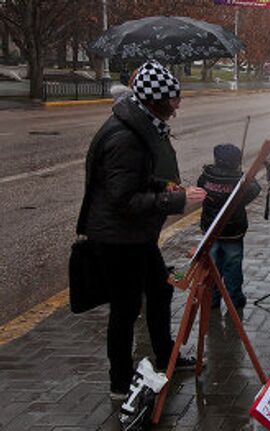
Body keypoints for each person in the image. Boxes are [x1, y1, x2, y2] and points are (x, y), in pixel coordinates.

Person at [80, 60, 207, 400]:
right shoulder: (126, 138)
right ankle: (120, 383)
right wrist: (175, 201)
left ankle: (166, 355)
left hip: (133, 235)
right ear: (154, 101)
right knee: (125, 309)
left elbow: (134, 181)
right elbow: (123, 199)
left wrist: (163, 186)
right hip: (117, 237)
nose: (176, 109)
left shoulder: (138, 126)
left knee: (160, 289)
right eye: (172, 102)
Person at [197, 144, 261, 309]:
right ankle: (235, 298)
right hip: (232, 231)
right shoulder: (239, 181)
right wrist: (248, 177)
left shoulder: (206, 176)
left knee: (212, 265)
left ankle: (212, 299)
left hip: (210, 229)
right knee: (232, 265)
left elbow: (200, 190)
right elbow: (255, 190)